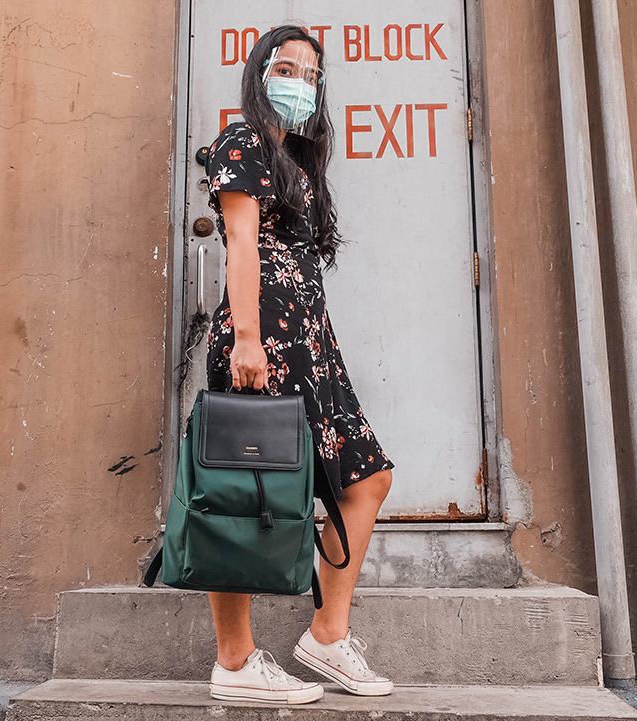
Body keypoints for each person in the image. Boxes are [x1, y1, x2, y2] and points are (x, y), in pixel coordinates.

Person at [201, 25, 396, 705]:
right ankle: (233, 662)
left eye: (311, 75)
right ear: (259, 75)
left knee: (366, 478)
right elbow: (241, 244)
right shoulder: (241, 142)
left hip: (312, 348)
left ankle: (327, 633)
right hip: (262, 345)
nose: (300, 83)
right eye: (286, 69)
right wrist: (247, 340)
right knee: (239, 493)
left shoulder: (296, 160)